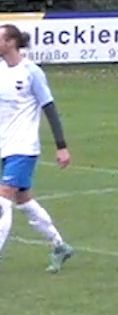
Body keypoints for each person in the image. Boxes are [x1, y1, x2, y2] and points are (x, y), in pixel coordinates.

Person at [0, 24, 75, 271]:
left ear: (10, 42)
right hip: (4, 145)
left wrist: (61, 146)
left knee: (2, 202)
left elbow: (49, 108)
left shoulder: (31, 72)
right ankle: (59, 245)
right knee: (23, 200)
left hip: (23, 147)